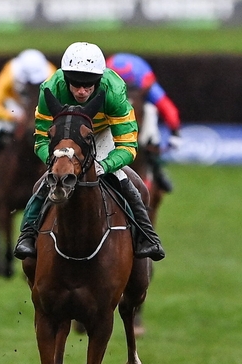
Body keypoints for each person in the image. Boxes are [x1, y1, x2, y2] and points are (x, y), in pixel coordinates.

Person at [14, 42, 165, 262]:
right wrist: (54, 161)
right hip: (65, 136)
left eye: (89, 85)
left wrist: (105, 165)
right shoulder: (50, 88)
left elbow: (128, 146)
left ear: (99, 79)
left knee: (124, 178)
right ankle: (27, 235)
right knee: (48, 179)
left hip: (102, 133)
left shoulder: (113, 89)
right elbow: (40, 138)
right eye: (75, 85)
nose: (82, 91)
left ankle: (147, 236)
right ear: (65, 79)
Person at [106, 52, 180, 192]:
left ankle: (156, 170)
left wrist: (175, 131)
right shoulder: (106, 79)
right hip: (112, 105)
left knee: (151, 131)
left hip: (142, 105)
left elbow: (167, 108)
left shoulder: (145, 82)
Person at [0, 49, 56, 164]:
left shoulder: (51, 73)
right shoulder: (10, 71)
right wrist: (12, 116)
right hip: (16, 106)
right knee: (0, 127)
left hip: (40, 106)